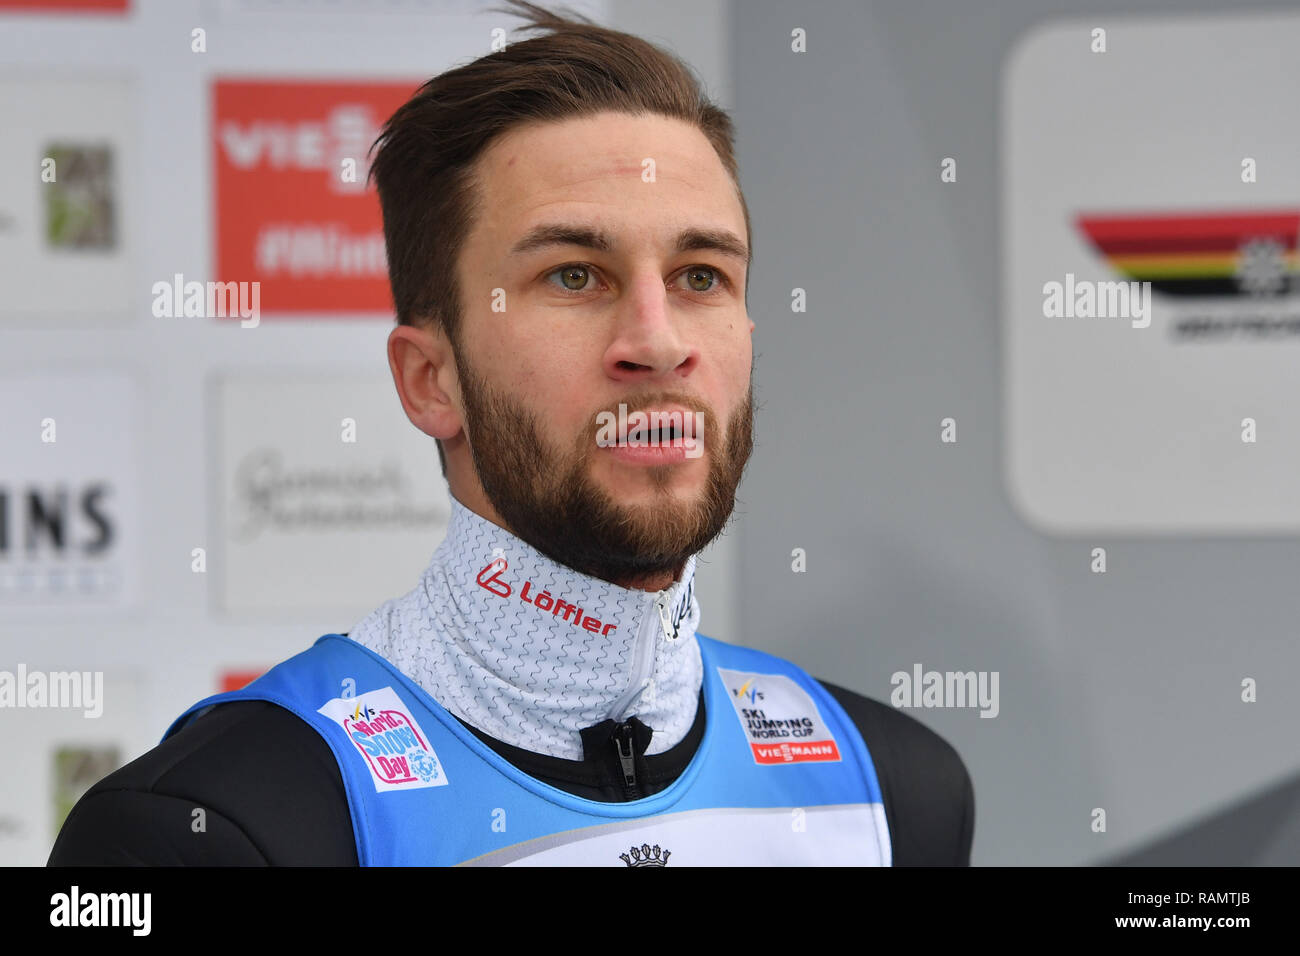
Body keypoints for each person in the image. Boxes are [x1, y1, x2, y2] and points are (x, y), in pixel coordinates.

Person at [48, 0, 973, 867]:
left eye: (700, 276)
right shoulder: (218, 825)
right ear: (429, 380)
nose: (658, 342)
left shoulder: (890, 793)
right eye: (575, 276)